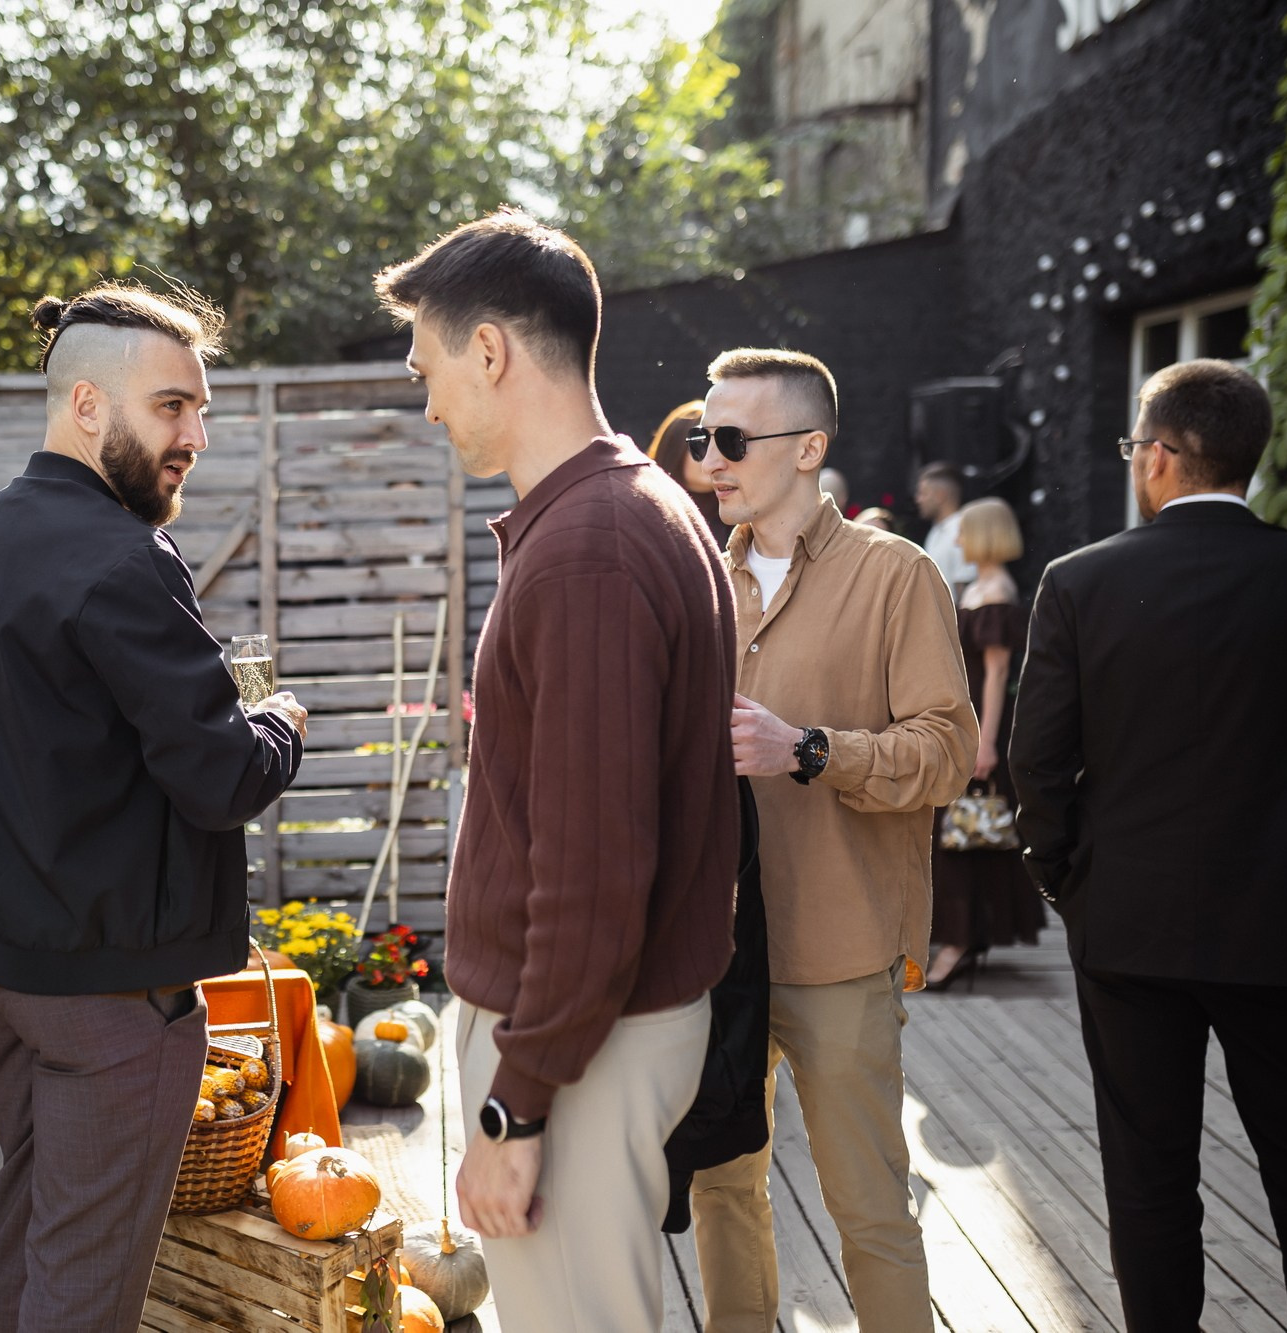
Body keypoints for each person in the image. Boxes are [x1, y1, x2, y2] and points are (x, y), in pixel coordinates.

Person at [374, 209, 741, 1331]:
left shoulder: (592, 548)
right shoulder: (622, 512)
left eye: (428, 369)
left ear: (488, 351)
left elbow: (592, 867)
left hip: (580, 1046)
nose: (429, 403)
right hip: (593, 1030)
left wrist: (514, 1107)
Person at [0, 283, 308, 1332]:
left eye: (201, 411)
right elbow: (222, 777)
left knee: (29, 1234)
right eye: (172, 407)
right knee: (86, 1285)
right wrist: (281, 725)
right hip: (108, 996)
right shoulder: (125, 557)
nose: (195, 437)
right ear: (87, 404)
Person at [1011, 358, 1287, 1332]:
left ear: (1157, 456)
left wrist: (1068, 884)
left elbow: (1038, 765)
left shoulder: (1077, 580)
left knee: (1147, 1179)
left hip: (1124, 925)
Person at [686, 348, 977, 1333]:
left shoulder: (897, 575)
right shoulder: (696, 579)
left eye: (731, 439)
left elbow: (948, 753)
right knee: (721, 1188)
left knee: (868, 1207)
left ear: (808, 448)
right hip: (717, 951)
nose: (709, 459)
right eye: (704, 437)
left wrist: (808, 749)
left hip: (841, 947)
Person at [925, 497, 1044, 989]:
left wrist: (986, 742)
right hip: (965, 722)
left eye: (964, 530)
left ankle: (959, 942)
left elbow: (997, 675)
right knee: (962, 834)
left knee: (965, 836)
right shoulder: (980, 587)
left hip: (979, 727)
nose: (956, 539)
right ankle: (962, 937)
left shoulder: (996, 591)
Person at [646, 398, 732, 547]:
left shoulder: (740, 521)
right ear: (674, 447)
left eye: (722, 446)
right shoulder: (643, 512)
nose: (714, 458)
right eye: (701, 445)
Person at [915, 460, 976, 596]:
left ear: (940, 495)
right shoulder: (935, 531)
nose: (918, 499)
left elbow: (965, 585)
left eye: (923, 493)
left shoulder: (963, 530)